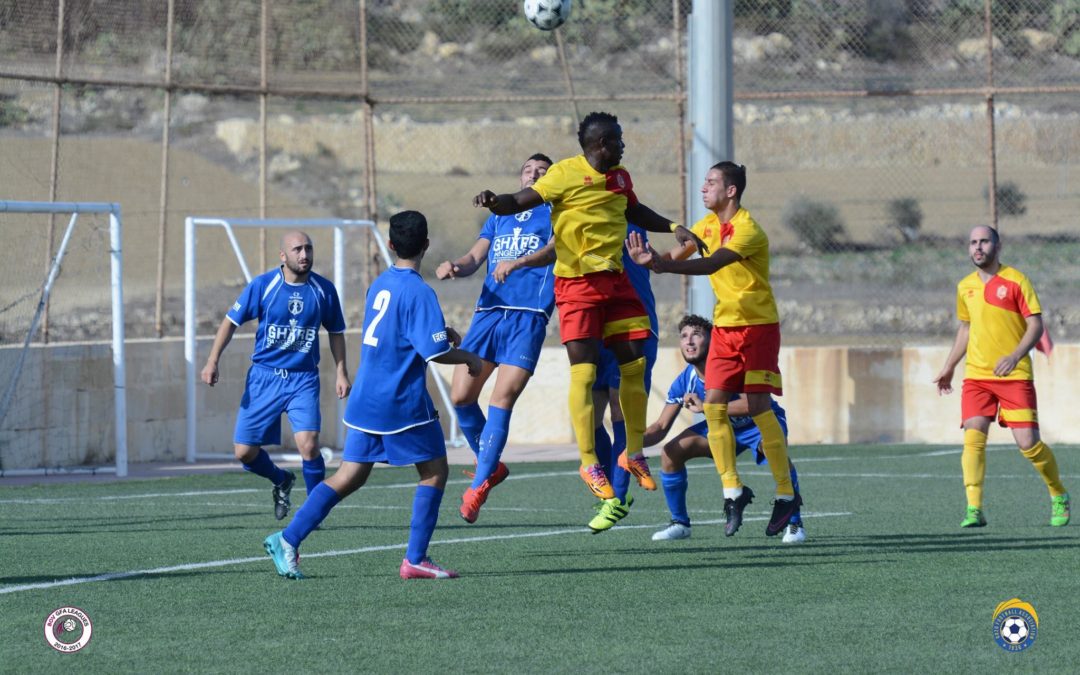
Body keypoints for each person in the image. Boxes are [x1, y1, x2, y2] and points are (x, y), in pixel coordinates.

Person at [472, 111, 704, 509]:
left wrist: (673, 227)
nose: (623, 145)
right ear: (600, 145)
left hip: (615, 282)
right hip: (576, 286)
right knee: (584, 373)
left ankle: (632, 453)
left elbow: (634, 209)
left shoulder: (619, 177)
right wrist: (496, 202)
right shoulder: (563, 174)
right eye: (618, 140)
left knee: (633, 368)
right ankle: (588, 464)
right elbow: (520, 199)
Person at [264, 210, 483, 580]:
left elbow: (400, 331)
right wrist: (469, 358)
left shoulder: (380, 284)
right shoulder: (419, 290)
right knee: (434, 472)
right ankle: (415, 559)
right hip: (401, 403)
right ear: (426, 245)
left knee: (349, 475)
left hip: (366, 399)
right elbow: (434, 353)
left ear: (391, 245)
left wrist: (440, 331)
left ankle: (288, 538)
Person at [627, 161, 802, 538]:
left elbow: (712, 264)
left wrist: (665, 267)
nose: (703, 188)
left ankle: (787, 495)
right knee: (714, 404)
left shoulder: (747, 229)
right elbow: (681, 255)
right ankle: (733, 490)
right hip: (724, 327)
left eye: (710, 182)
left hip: (757, 328)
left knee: (758, 407)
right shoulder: (705, 226)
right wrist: (649, 262)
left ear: (731, 190)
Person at [435, 153, 555, 524]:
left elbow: (557, 249)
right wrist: (456, 266)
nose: (533, 175)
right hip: (488, 313)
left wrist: (518, 263)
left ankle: (478, 487)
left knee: (503, 397)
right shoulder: (499, 214)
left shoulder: (557, 211)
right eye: (528, 170)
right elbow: (475, 256)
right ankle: (490, 466)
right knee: (461, 396)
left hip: (527, 315)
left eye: (542, 172)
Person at [201, 230, 351, 521]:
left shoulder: (324, 290)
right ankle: (281, 479)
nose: (304, 254)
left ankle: (313, 512)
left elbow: (336, 332)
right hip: (264, 378)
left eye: (308, 248)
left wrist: (342, 371)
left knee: (309, 445)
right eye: (297, 249)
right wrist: (212, 360)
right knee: (244, 452)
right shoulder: (263, 286)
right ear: (283, 256)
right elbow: (230, 322)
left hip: (303, 379)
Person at [933, 225, 1069, 528]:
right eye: (972, 243)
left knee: (1028, 444)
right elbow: (965, 329)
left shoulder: (1016, 280)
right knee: (973, 439)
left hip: (1014, 375)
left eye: (983, 241)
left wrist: (1014, 356)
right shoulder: (964, 286)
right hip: (977, 377)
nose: (977, 247)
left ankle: (1058, 493)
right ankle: (974, 509)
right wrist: (949, 366)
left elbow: (1035, 325)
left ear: (997, 246)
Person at [644, 314, 805, 544]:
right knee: (670, 452)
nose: (689, 342)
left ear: (713, 341)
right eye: (683, 336)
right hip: (723, 430)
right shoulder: (685, 380)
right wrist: (629, 440)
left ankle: (795, 523)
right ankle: (680, 523)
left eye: (696, 335)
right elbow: (660, 427)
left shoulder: (733, 366)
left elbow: (755, 404)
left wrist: (707, 407)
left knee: (774, 453)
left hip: (759, 423)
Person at [587, 222, 659, 533]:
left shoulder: (628, 222)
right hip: (595, 328)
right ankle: (610, 489)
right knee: (589, 415)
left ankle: (618, 497)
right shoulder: (580, 220)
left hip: (631, 326)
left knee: (620, 409)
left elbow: (657, 258)